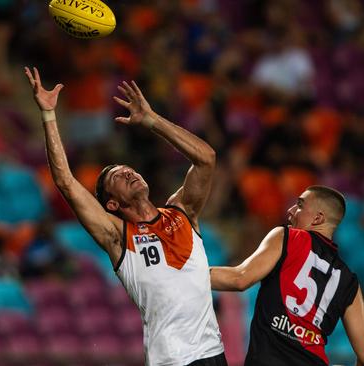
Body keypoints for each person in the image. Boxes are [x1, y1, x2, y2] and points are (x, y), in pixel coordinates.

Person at [24, 66, 226, 366]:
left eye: (128, 168)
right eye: (117, 176)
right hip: (171, 359)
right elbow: (65, 181)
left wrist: (152, 120)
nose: (128, 171)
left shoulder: (182, 212)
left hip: (214, 354)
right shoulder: (118, 236)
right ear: (113, 205)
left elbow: (206, 159)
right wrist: (49, 116)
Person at [210, 185, 364, 366]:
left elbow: (240, 278)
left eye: (299, 205)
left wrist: (186, 273)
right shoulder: (349, 281)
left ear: (318, 218)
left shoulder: (288, 237)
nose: (290, 210)